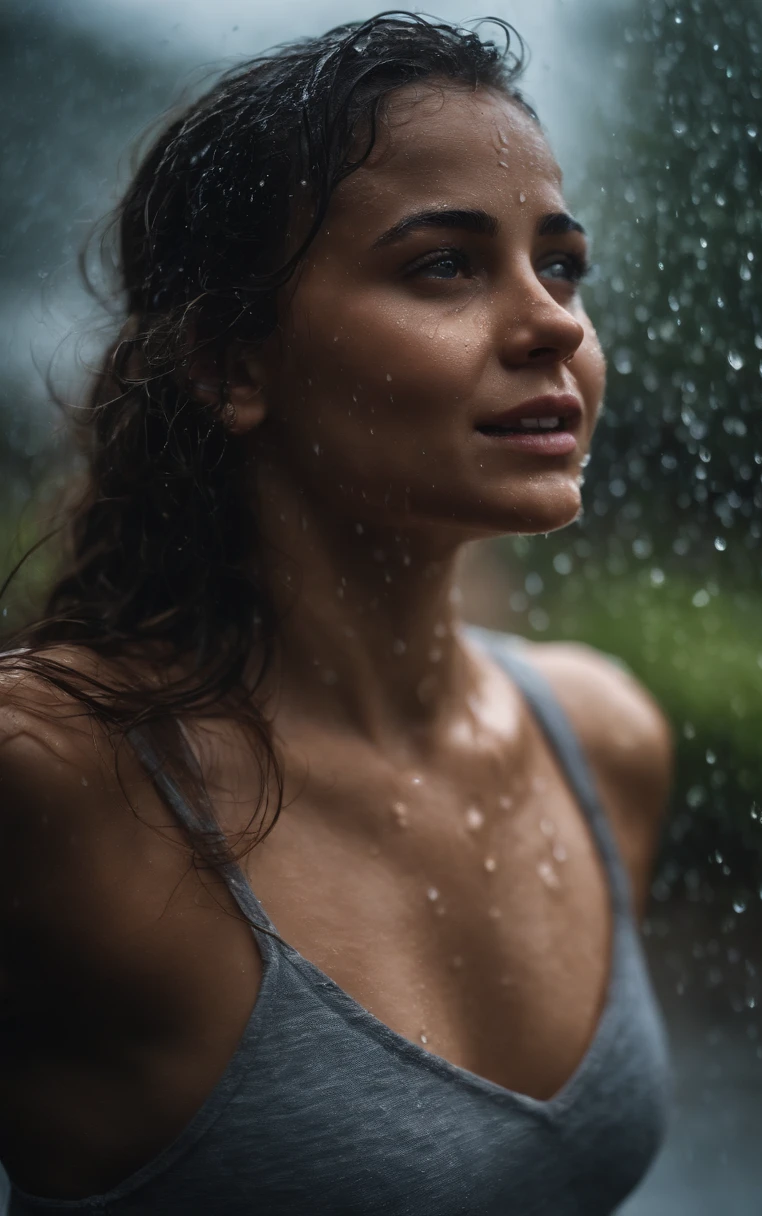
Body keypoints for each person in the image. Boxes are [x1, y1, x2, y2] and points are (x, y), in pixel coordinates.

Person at [0, 14, 674, 1214]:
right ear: (227, 363)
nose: (555, 324)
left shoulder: (603, 743)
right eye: (445, 266)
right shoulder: (56, 782)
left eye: (560, 262)